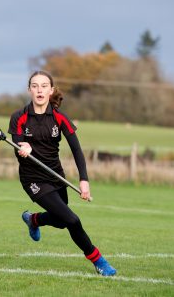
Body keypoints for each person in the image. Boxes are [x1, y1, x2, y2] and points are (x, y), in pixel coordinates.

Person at [8, 70, 116, 276]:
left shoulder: (59, 118)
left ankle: (34, 220)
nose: (39, 90)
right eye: (35, 86)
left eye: (44, 86)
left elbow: (76, 149)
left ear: (51, 90)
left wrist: (84, 180)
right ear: (29, 90)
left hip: (56, 175)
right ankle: (98, 260)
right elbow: (17, 146)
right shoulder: (19, 117)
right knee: (72, 220)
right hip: (33, 179)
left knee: (60, 220)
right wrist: (24, 149)